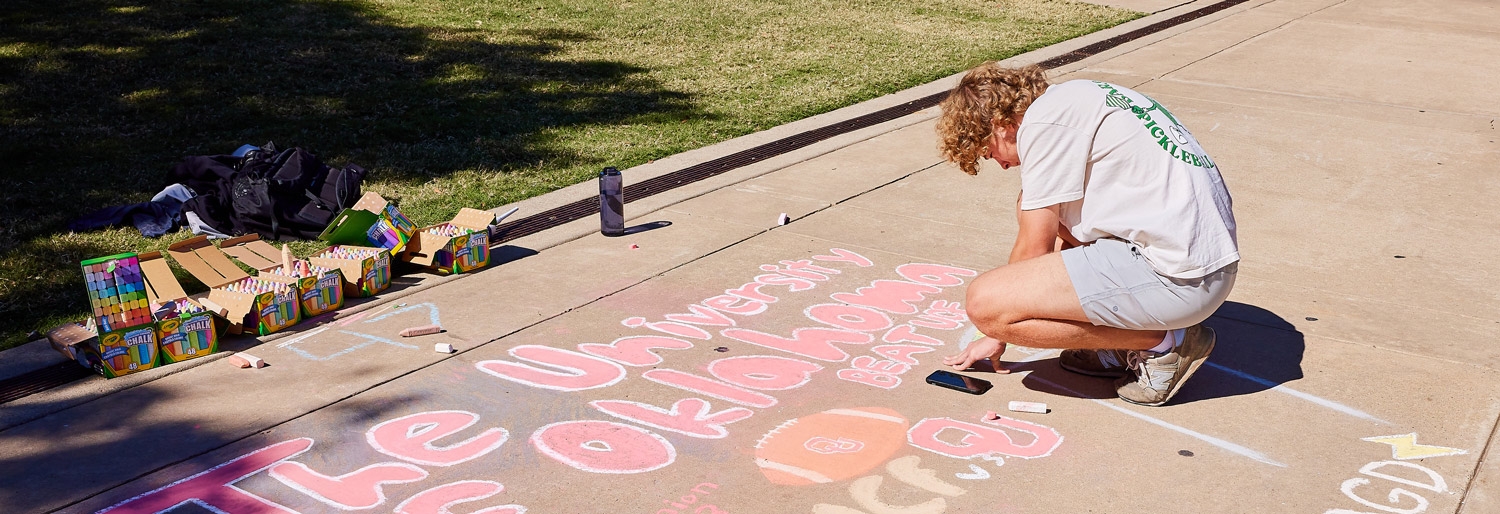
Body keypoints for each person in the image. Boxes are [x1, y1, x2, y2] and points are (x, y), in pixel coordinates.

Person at [934, 62, 1239, 406]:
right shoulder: (1077, 98)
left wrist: (993, 330)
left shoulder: (1044, 124)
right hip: (1200, 265)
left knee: (987, 304)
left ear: (1000, 125)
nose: (1001, 163)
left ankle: (1163, 342)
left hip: (1180, 280)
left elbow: (1033, 252)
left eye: (988, 151)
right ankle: (1116, 343)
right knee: (1033, 205)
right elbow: (1063, 241)